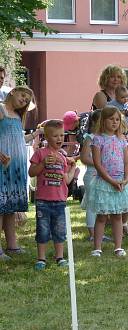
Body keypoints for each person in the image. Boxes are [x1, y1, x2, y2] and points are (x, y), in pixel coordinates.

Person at [83, 106, 128, 257]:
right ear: (103, 121)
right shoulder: (97, 140)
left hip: (120, 182)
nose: (114, 122)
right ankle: (97, 247)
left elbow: (127, 162)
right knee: (102, 216)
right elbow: (98, 164)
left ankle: (118, 247)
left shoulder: (123, 140)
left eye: (117, 119)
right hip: (105, 182)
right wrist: (111, 180)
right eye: (111, 119)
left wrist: (126, 179)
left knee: (117, 216)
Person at [91, 65, 128, 236]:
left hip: (119, 139)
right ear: (105, 78)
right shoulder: (101, 96)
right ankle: (107, 224)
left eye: (119, 77)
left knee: (124, 188)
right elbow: (108, 114)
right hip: (105, 141)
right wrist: (125, 110)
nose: (116, 80)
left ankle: (123, 222)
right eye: (112, 77)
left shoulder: (123, 97)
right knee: (105, 196)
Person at [28, 120, 77, 270]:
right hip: (44, 201)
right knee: (43, 230)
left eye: (62, 135)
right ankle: (41, 258)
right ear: (47, 138)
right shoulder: (40, 153)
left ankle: (59, 256)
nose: (60, 139)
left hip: (60, 201)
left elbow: (66, 180)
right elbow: (31, 173)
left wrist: (72, 168)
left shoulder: (62, 157)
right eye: (55, 136)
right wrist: (42, 164)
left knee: (59, 230)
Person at [0, 86, 38, 261]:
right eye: (23, 96)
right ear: (13, 91)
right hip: (3, 165)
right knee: (1, 205)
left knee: (10, 207)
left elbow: (20, 139)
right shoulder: (1, 109)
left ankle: (12, 245)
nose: (24, 100)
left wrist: (38, 133)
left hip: (16, 167)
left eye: (27, 100)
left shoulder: (17, 116)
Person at [80, 110, 111, 242]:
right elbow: (84, 158)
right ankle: (93, 233)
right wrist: (100, 164)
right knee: (93, 204)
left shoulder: (106, 137)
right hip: (92, 175)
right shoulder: (90, 138)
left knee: (102, 203)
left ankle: (99, 232)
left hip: (103, 175)